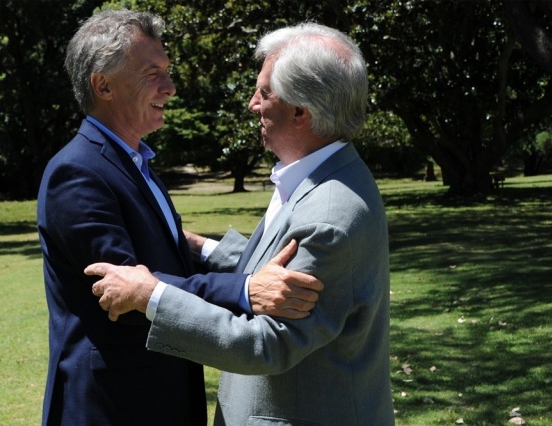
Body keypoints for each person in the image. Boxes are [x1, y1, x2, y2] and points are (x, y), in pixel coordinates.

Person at [87, 22, 395, 425]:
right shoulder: (319, 176)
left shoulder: (329, 215)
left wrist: (151, 296)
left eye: (264, 93)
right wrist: (201, 247)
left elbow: (266, 344)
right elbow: (275, 268)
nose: (252, 104)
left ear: (300, 112)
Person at [37, 9, 322, 425]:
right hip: (113, 407)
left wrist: (203, 250)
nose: (170, 87)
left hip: (153, 394)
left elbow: (162, 267)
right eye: (152, 73)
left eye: (167, 72)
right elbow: (125, 295)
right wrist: (246, 291)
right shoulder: (77, 172)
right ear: (103, 85)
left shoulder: (133, 161)